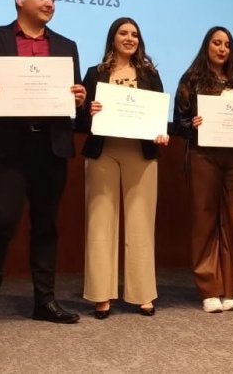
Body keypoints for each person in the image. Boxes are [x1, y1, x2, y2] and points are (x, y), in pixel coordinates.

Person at [0, 0, 86, 335]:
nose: (50, 2)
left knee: (46, 225)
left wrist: (79, 99)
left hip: (51, 145)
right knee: (0, 223)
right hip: (9, 147)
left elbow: (72, 101)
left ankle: (44, 302)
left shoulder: (66, 45)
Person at [76, 17, 168, 318]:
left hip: (140, 155)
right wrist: (89, 111)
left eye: (134, 34)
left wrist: (161, 132)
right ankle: (101, 294)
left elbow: (158, 117)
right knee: (100, 223)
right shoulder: (95, 73)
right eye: (123, 33)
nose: (130, 38)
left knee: (141, 223)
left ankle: (142, 293)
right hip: (103, 152)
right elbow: (80, 122)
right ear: (112, 38)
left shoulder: (150, 74)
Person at [173, 26, 233, 313]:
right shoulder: (192, 79)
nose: (222, 48)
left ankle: (228, 288)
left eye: (227, 44)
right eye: (217, 43)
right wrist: (195, 126)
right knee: (205, 220)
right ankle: (208, 288)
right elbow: (180, 123)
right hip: (205, 156)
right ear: (207, 46)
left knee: (231, 221)